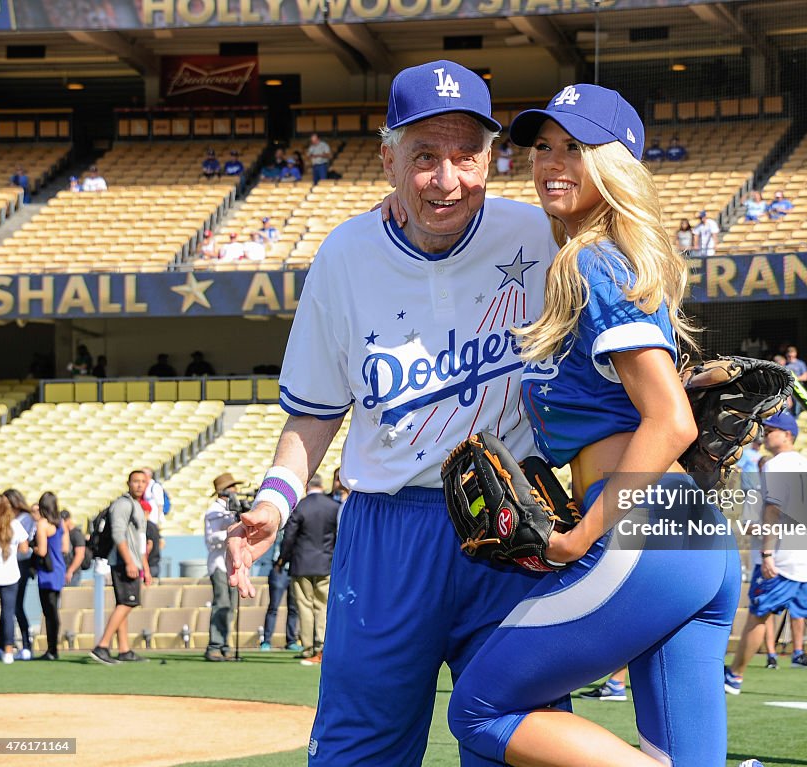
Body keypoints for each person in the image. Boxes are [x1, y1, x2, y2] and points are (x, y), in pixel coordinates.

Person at [225, 59, 558, 767]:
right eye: (424, 157)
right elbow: (313, 413)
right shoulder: (344, 256)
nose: (448, 179)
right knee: (359, 750)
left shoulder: (539, 237)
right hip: (388, 532)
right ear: (387, 159)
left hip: (513, 523)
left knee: (522, 741)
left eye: (466, 155)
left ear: (491, 159)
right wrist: (275, 502)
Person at [447, 83, 740, 766]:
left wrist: (577, 535)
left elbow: (668, 421)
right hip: (691, 539)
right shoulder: (609, 259)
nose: (551, 161)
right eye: (543, 146)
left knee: (480, 708)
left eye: (575, 148)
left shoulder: (593, 262)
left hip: (639, 537)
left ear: (613, 163)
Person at [725, 411, 807, 700]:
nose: (766, 434)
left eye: (772, 430)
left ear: (788, 435)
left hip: (784, 555)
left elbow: (774, 509)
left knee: (758, 614)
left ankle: (734, 676)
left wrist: (767, 551)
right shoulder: (805, 464)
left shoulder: (778, 464)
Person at [88, 470, 151, 665]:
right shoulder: (123, 504)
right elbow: (118, 534)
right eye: (135, 481)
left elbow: (139, 540)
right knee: (127, 603)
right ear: (128, 483)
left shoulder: (136, 506)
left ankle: (124, 649)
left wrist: (145, 567)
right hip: (124, 562)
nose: (139, 485)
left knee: (123, 603)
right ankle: (102, 646)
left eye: (143, 482)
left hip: (133, 560)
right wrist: (130, 562)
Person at [278, 474, 339, 666]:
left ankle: (307, 647)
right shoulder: (333, 506)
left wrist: (282, 559)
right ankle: (321, 645)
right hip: (326, 563)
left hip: (302, 564)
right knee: (323, 606)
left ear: (307, 486)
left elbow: (289, 537)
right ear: (322, 485)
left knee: (304, 606)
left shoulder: (300, 506)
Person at [204, 473, 242, 662]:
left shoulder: (234, 510)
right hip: (219, 563)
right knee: (222, 603)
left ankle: (225, 644)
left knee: (230, 606)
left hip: (232, 564)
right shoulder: (213, 511)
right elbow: (211, 540)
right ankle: (215, 645)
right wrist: (229, 534)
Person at [0, 493, 30, 664]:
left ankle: (0, 649)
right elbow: (24, 548)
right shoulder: (15, 524)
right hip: (11, 575)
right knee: (8, 614)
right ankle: (8, 651)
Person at [0, 489, 36, 660]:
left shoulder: (24, 519)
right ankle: (4, 645)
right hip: (10, 565)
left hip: (20, 566)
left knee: (16, 607)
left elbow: (24, 547)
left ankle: (26, 644)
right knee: (9, 610)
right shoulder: (7, 520)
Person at [33, 492, 67, 661]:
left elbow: (42, 550)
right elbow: (65, 546)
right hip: (59, 568)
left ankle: (52, 649)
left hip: (47, 571)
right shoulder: (60, 522)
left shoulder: (42, 524)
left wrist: (33, 548)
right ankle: (54, 648)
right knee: (54, 610)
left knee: (49, 611)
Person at [260, 529, 301, 652]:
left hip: (295, 569)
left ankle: (291, 641)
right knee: (273, 607)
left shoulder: (299, 526)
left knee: (294, 609)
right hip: (279, 570)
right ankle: (266, 641)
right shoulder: (280, 527)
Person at [60, 510, 87, 587]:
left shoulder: (76, 534)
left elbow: (80, 555)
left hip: (73, 573)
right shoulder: (63, 533)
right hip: (64, 571)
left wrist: (70, 571)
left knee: (70, 597)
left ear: (68, 520)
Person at [785, 346, 807, 416]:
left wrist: (795, 379)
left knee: (797, 409)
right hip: (787, 389)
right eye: (789, 353)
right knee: (788, 408)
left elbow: (806, 377)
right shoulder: (785, 364)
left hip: (798, 388)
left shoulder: (800, 364)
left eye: (792, 353)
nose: (790, 355)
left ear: (795, 353)